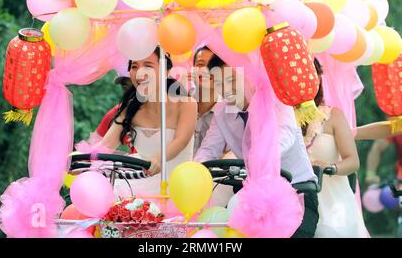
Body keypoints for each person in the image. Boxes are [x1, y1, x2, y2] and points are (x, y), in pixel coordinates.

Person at [194, 54, 319, 238]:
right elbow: (208, 149)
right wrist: (196, 170)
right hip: (251, 196)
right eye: (220, 84)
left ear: (249, 75)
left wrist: (259, 159)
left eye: (232, 80)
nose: (227, 89)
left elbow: (285, 136)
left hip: (297, 191)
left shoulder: (276, 100)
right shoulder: (222, 110)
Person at [89, 46, 197, 198]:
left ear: (165, 71)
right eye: (134, 66)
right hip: (139, 183)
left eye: (148, 66)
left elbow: (180, 141)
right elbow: (105, 146)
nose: (140, 73)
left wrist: (159, 158)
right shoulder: (130, 109)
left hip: (178, 187)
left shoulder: (187, 104)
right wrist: (86, 161)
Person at [302, 59, 369, 238]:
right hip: (297, 202)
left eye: (312, 73)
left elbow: (353, 161)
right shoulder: (283, 117)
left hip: (334, 203)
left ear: (318, 78)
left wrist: (330, 167)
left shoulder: (334, 115)